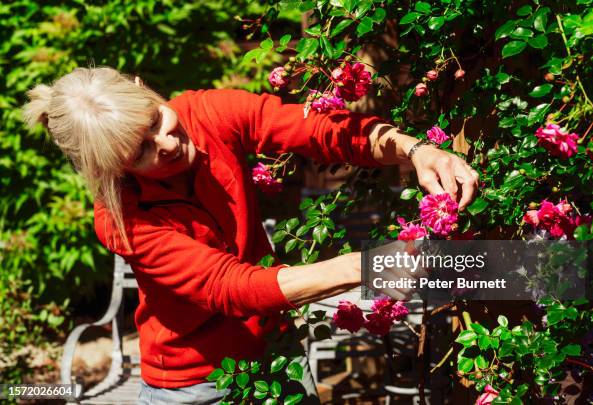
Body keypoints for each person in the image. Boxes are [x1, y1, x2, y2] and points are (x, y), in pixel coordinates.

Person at [22, 67, 479, 404]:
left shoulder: (206, 112)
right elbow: (234, 287)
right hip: (195, 385)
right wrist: (372, 266)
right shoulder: (123, 218)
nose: (165, 142)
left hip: (276, 350)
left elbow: (319, 129)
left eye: (154, 122)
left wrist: (414, 150)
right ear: (112, 167)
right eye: (139, 150)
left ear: (146, 89)